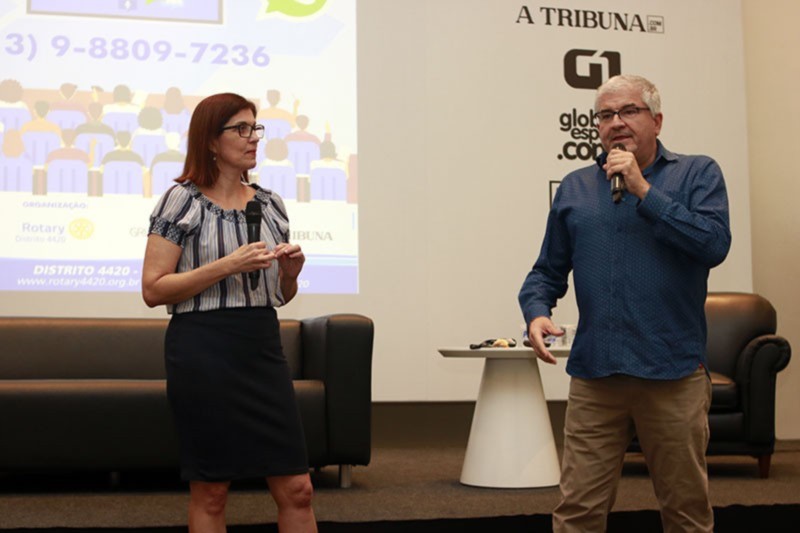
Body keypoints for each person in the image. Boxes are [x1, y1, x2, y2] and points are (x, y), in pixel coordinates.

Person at [518, 74, 731, 533]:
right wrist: (537, 312)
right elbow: (546, 271)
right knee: (577, 513)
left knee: (686, 514)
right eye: (605, 115)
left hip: (672, 373)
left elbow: (713, 244)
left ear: (657, 120)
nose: (616, 122)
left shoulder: (697, 173)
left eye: (629, 111)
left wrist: (644, 192)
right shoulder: (575, 187)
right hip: (597, 377)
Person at [141, 92, 316, 533]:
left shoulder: (271, 204)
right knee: (213, 491)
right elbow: (153, 289)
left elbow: (280, 296)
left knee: (298, 488)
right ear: (210, 141)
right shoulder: (181, 200)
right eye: (240, 129)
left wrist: (290, 275)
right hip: (203, 350)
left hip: (261, 346)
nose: (253, 137)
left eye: (255, 128)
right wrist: (227, 265)